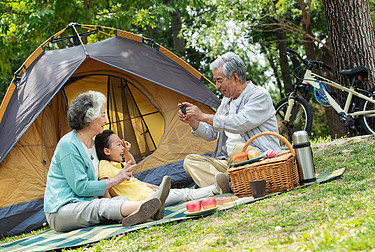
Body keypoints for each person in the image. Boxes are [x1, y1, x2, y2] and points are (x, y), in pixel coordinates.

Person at [44, 91, 170, 232]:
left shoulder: (93, 144)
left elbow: (103, 178)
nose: (106, 120)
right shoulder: (68, 145)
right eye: (103, 115)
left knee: (115, 200)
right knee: (100, 206)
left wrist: (140, 184)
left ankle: (137, 212)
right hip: (62, 210)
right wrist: (116, 179)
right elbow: (81, 188)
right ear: (89, 117)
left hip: (87, 204)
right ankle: (147, 205)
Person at [178, 52, 281, 188]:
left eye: (219, 80)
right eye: (216, 81)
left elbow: (239, 123)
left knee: (240, 149)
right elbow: (211, 133)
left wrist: (203, 116)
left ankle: (218, 185)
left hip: (257, 157)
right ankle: (229, 183)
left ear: (235, 77)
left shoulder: (259, 96)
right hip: (228, 162)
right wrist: (194, 121)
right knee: (190, 161)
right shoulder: (226, 101)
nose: (217, 86)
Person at [94, 130, 230, 212]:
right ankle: (215, 189)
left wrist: (127, 152)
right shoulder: (105, 165)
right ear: (106, 151)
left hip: (148, 194)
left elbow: (132, 166)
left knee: (177, 194)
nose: (122, 146)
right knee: (181, 194)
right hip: (143, 200)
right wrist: (110, 206)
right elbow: (104, 185)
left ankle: (215, 188)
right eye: (118, 144)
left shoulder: (116, 164)